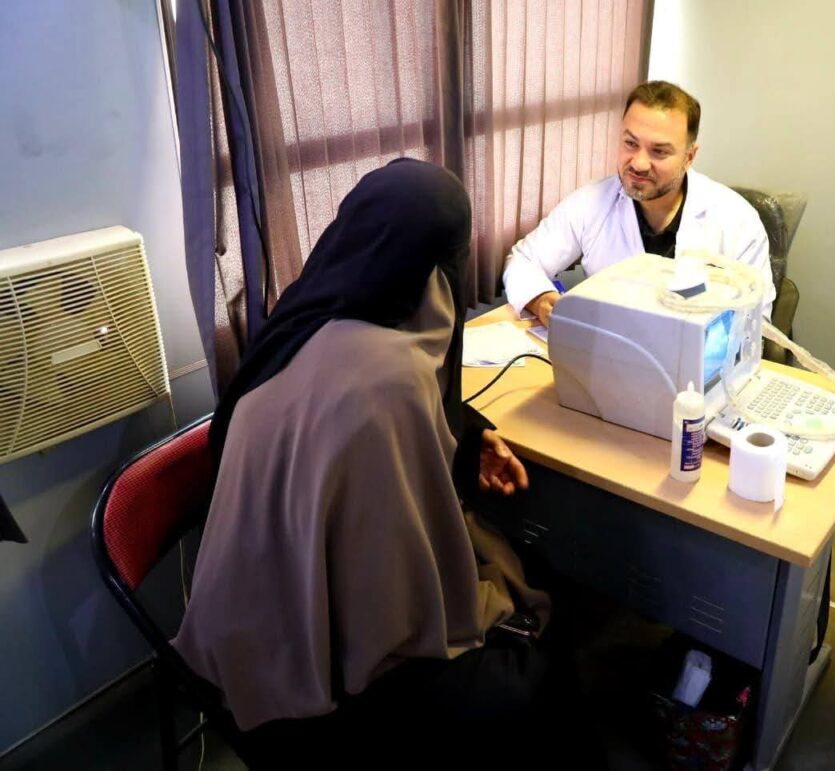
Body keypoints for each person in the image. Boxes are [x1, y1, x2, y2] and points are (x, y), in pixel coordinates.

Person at [174, 159, 598, 769]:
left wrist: (469, 436)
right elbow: (401, 597)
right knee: (530, 629)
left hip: (242, 622)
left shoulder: (305, 313)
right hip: (323, 677)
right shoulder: (391, 378)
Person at [502, 80, 775, 327]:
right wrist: (541, 299)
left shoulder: (737, 221)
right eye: (631, 143)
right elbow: (524, 260)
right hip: (609, 351)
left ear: (689, 157)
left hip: (699, 362)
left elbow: (756, 325)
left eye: (659, 151)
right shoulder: (591, 203)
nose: (639, 163)